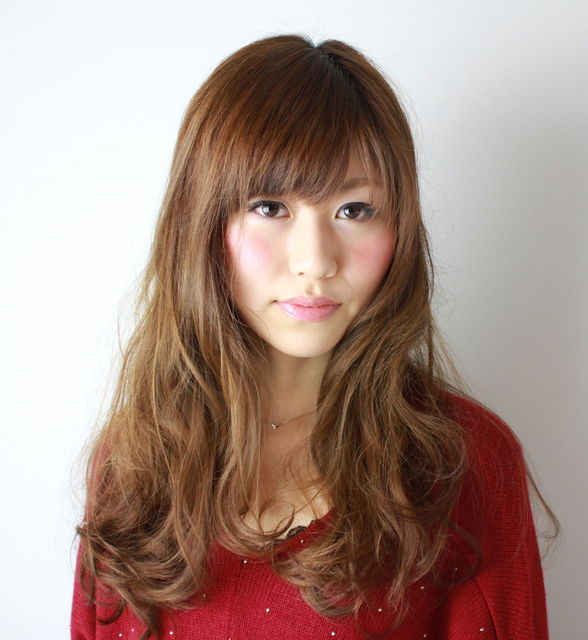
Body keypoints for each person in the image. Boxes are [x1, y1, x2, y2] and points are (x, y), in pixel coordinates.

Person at [71, 34, 557, 640]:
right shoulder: (132, 463)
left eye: (354, 210)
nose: (316, 261)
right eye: (270, 207)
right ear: (201, 222)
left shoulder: (462, 466)